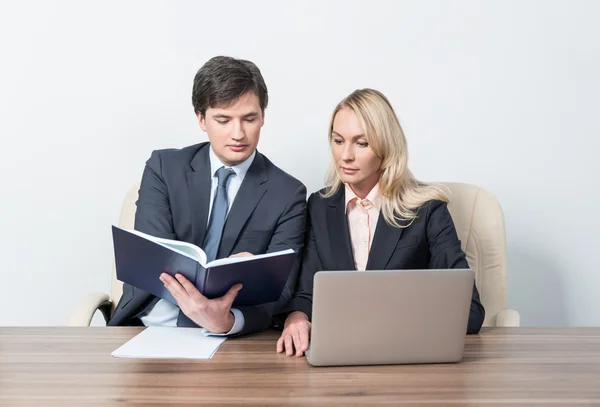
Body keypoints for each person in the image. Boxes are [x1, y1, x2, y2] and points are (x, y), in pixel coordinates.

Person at [277, 88, 485, 356]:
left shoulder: (428, 211)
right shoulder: (319, 206)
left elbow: (470, 312)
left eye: (361, 143)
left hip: (406, 356)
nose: (345, 155)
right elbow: (307, 292)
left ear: (387, 147)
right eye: (338, 140)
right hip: (341, 356)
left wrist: (390, 319)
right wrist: (296, 318)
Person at [108, 56, 307, 336]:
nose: (238, 134)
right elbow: (153, 260)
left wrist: (227, 322)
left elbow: (283, 289)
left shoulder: (288, 193)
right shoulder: (164, 169)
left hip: (230, 334)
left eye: (249, 119)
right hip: (149, 326)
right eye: (223, 120)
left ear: (262, 116)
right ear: (201, 119)